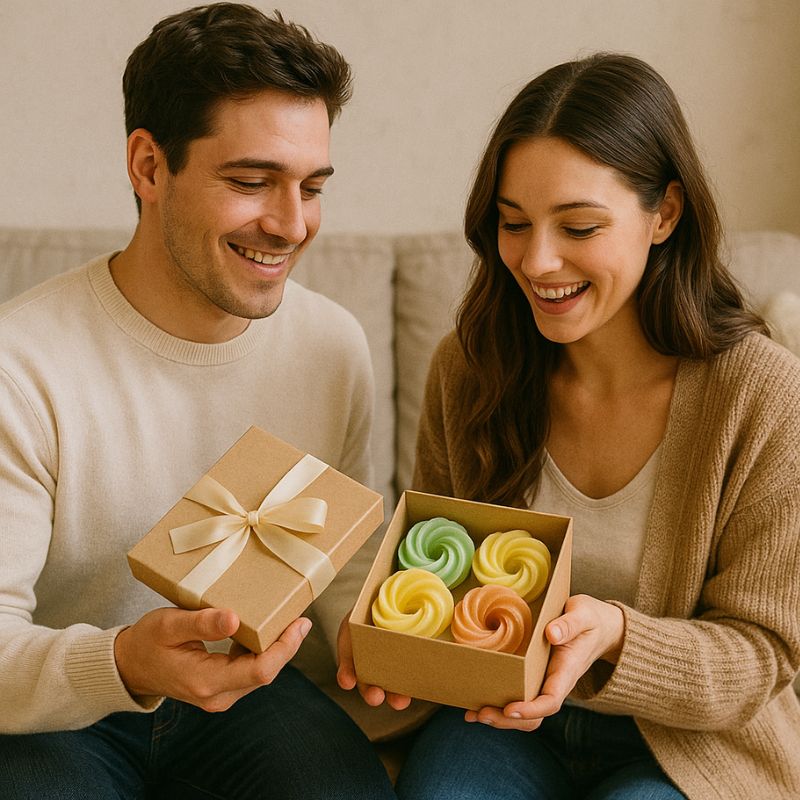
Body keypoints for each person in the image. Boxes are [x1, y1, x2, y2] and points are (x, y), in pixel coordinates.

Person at [338, 53, 800, 798]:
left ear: (665, 214)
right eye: (513, 224)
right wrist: (400, 650)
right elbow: (435, 573)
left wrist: (618, 635)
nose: (537, 261)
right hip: (500, 722)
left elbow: (765, 650)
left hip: (686, 741)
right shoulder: (470, 369)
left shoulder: (763, 394)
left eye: (578, 225)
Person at [0, 4, 396, 798]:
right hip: (60, 707)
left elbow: (345, 573)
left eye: (311, 187)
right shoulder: (23, 365)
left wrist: (394, 648)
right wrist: (121, 661)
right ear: (148, 167)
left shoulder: (333, 348)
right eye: (252, 182)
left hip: (254, 701)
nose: (290, 224)